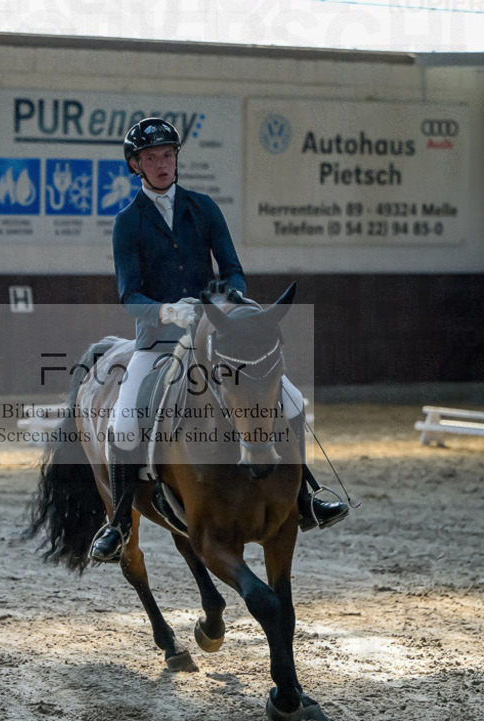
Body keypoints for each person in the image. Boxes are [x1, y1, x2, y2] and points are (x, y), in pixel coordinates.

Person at [89, 117, 349, 563]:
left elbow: (231, 267)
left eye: (168, 155)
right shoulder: (127, 222)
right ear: (137, 166)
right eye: (151, 158)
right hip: (158, 340)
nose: (162, 164)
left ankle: (306, 496)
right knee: (125, 418)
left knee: (289, 400)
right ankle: (116, 525)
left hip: (216, 331)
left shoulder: (204, 207)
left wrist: (227, 299)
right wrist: (169, 311)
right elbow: (130, 295)